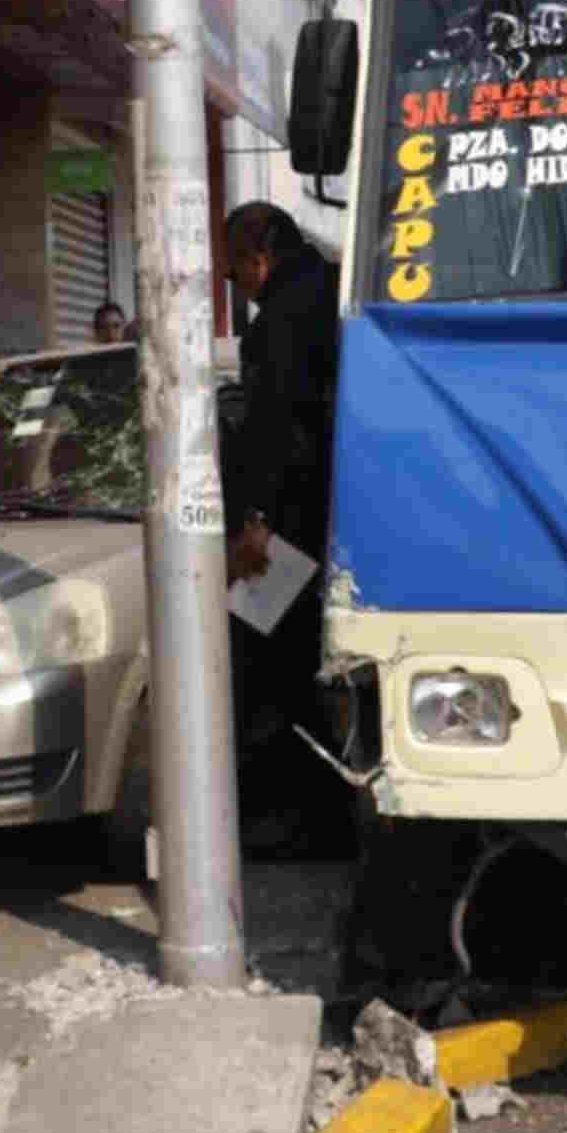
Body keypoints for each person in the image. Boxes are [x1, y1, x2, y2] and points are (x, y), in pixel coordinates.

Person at [218, 201, 343, 854]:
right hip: (335, 516)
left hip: (287, 524)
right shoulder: (335, 292)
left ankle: (299, 817)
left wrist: (257, 526)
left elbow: (274, 436)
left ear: (255, 256)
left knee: (272, 671)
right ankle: (319, 811)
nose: (238, 287)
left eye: (234, 273)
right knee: (309, 666)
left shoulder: (279, 325)